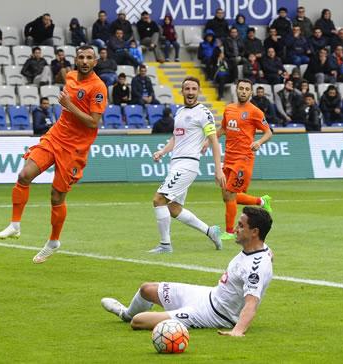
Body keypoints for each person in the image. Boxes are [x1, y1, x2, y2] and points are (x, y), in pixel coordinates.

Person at [0, 46, 108, 264]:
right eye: (81, 57)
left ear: (95, 62)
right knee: (24, 175)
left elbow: (93, 122)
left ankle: (54, 241)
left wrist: (69, 105)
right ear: (76, 60)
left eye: (89, 58)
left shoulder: (98, 87)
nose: (84, 61)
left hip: (74, 148)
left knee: (56, 196)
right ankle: (15, 225)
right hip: (55, 137)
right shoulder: (71, 76)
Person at [101, 207, 273, 335]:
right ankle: (125, 313)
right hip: (208, 295)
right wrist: (269, 255)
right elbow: (268, 253)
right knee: (146, 289)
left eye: (241, 226)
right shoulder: (261, 248)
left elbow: (251, 303)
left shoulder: (255, 268)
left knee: (138, 321)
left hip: (214, 314)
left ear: (255, 232)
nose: (235, 229)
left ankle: (134, 317)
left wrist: (238, 331)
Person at [146, 77, 225, 253]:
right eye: (187, 89)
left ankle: (165, 245)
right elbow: (176, 137)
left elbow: (214, 141)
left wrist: (218, 169)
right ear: (181, 92)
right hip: (176, 163)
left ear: (198, 92)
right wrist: (162, 151)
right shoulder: (180, 112)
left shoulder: (204, 113)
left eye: (193, 89)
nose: (190, 92)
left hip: (188, 165)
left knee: (159, 199)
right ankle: (210, 231)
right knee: (174, 208)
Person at [215, 79, 273, 240]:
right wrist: (208, 141)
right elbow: (223, 129)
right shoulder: (229, 109)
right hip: (229, 158)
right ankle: (261, 201)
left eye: (247, 89)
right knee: (227, 196)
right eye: (241, 88)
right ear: (237, 90)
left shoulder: (255, 111)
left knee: (230, 194)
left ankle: (229, 232)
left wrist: (259, 142)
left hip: (244, 158)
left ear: (250, 93)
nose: (243, 91)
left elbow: (268, 132)